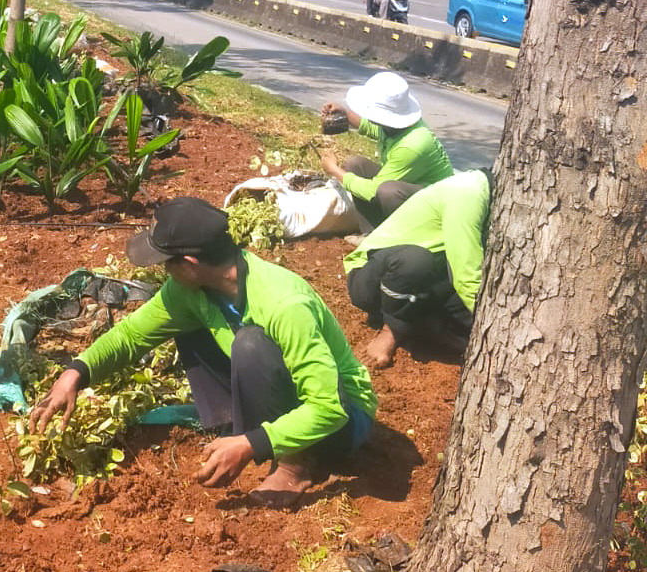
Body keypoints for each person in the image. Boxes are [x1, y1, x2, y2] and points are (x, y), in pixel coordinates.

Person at [29, 197, 376, 508]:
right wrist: (75, 373)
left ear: (190, 263)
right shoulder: (191, 290)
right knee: (194, 329)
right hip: (293, 396)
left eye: (166, 263)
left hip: (343, 421)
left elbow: (328, 408)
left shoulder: (284, 304)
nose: (162, 271)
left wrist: (252, 444)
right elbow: (133, 335)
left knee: (250, 343)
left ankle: (295, 464)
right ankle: (236, 427)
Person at [344, 169, 493, 369]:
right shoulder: (468, 194)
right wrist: (493, 327)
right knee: (416, 259)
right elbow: (466, 275)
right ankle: (392, 331)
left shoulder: (484, 193)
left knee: (464, 333)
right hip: (371, 276)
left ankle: (420, 326)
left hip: (421, 283)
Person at [320, 71, 454, 232]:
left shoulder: (412, 145)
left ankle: (398, 239)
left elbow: (373, 190)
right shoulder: (395, 127)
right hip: (412, 185)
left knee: (387, 191)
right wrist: (344, 113)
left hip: (435, 203)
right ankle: (371, 234)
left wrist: (334, 170)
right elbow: (372, 128)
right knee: (355, 165)